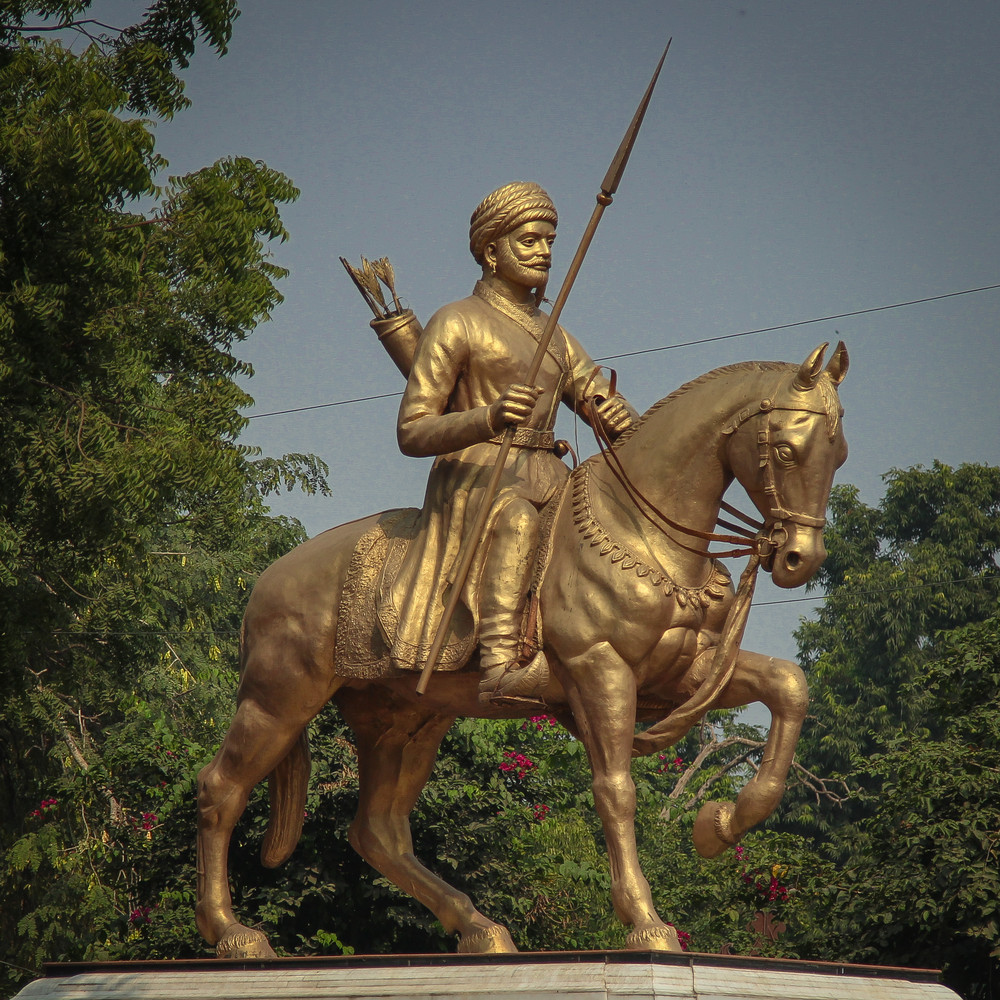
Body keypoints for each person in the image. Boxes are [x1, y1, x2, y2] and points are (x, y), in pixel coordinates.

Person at [382, 181, 637, 704]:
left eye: (550, 241)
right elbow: (413, 429)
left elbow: (596, 395)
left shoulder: (557, 335)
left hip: (551, 473)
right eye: (529, 240)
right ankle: (499, 661)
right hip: (480, 474)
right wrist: (489, 416)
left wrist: (618, 416)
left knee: (609, 528)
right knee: (517, 519)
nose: (544, 252)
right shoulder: (456, 320)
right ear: (491, 251)